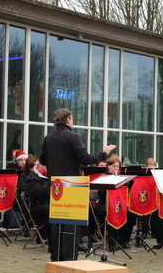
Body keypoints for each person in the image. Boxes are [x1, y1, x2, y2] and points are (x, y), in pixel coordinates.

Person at [39, 108, 116, 262]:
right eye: (72, 118)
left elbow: (42, 161)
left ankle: (56, 256)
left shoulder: (48, 138)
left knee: (56, 222)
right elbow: (86, 159)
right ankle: (69, 257)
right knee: (70, 224)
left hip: (56, 185)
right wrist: (104, 152)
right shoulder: (73, 136)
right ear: (68, 120)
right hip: (72, 184)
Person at [92, 156, 135, 248]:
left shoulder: (121, 178)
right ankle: (111, 241)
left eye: (117, 167)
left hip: (117, 205)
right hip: (104, 204)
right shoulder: (103, 177)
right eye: (114, 166)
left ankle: (123, 240)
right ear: (108, 166)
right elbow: (100, 194)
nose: (116, 169)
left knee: (131, 214)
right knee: (112, 212)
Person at [24, 161, 51, 241]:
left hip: (49, 204)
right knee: (51, 209)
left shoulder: (49, 175)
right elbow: (37, 192)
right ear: (41, 165)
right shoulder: (32, 177)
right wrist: (52, 184)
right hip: (36, 207)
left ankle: (78, 237)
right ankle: (49, 236)